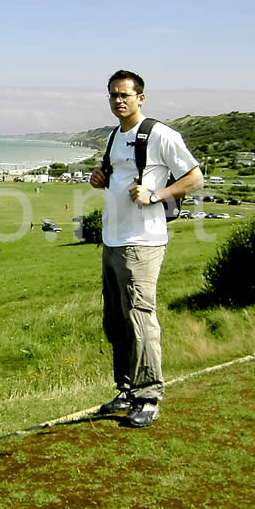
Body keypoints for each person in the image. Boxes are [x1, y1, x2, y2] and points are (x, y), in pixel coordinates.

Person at [89, 70, 203, 427]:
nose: (118, 100)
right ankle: (126, 389)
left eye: (125, 94)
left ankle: (149, 395)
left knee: (139, 317)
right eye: (113, 95)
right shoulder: (114, 135)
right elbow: (116, 174)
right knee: (117, 320)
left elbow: (195, 178)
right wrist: (100, 178)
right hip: (113, 240)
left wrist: (156, 195)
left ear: (141, 97)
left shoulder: (161, 135)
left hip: (143, 242)